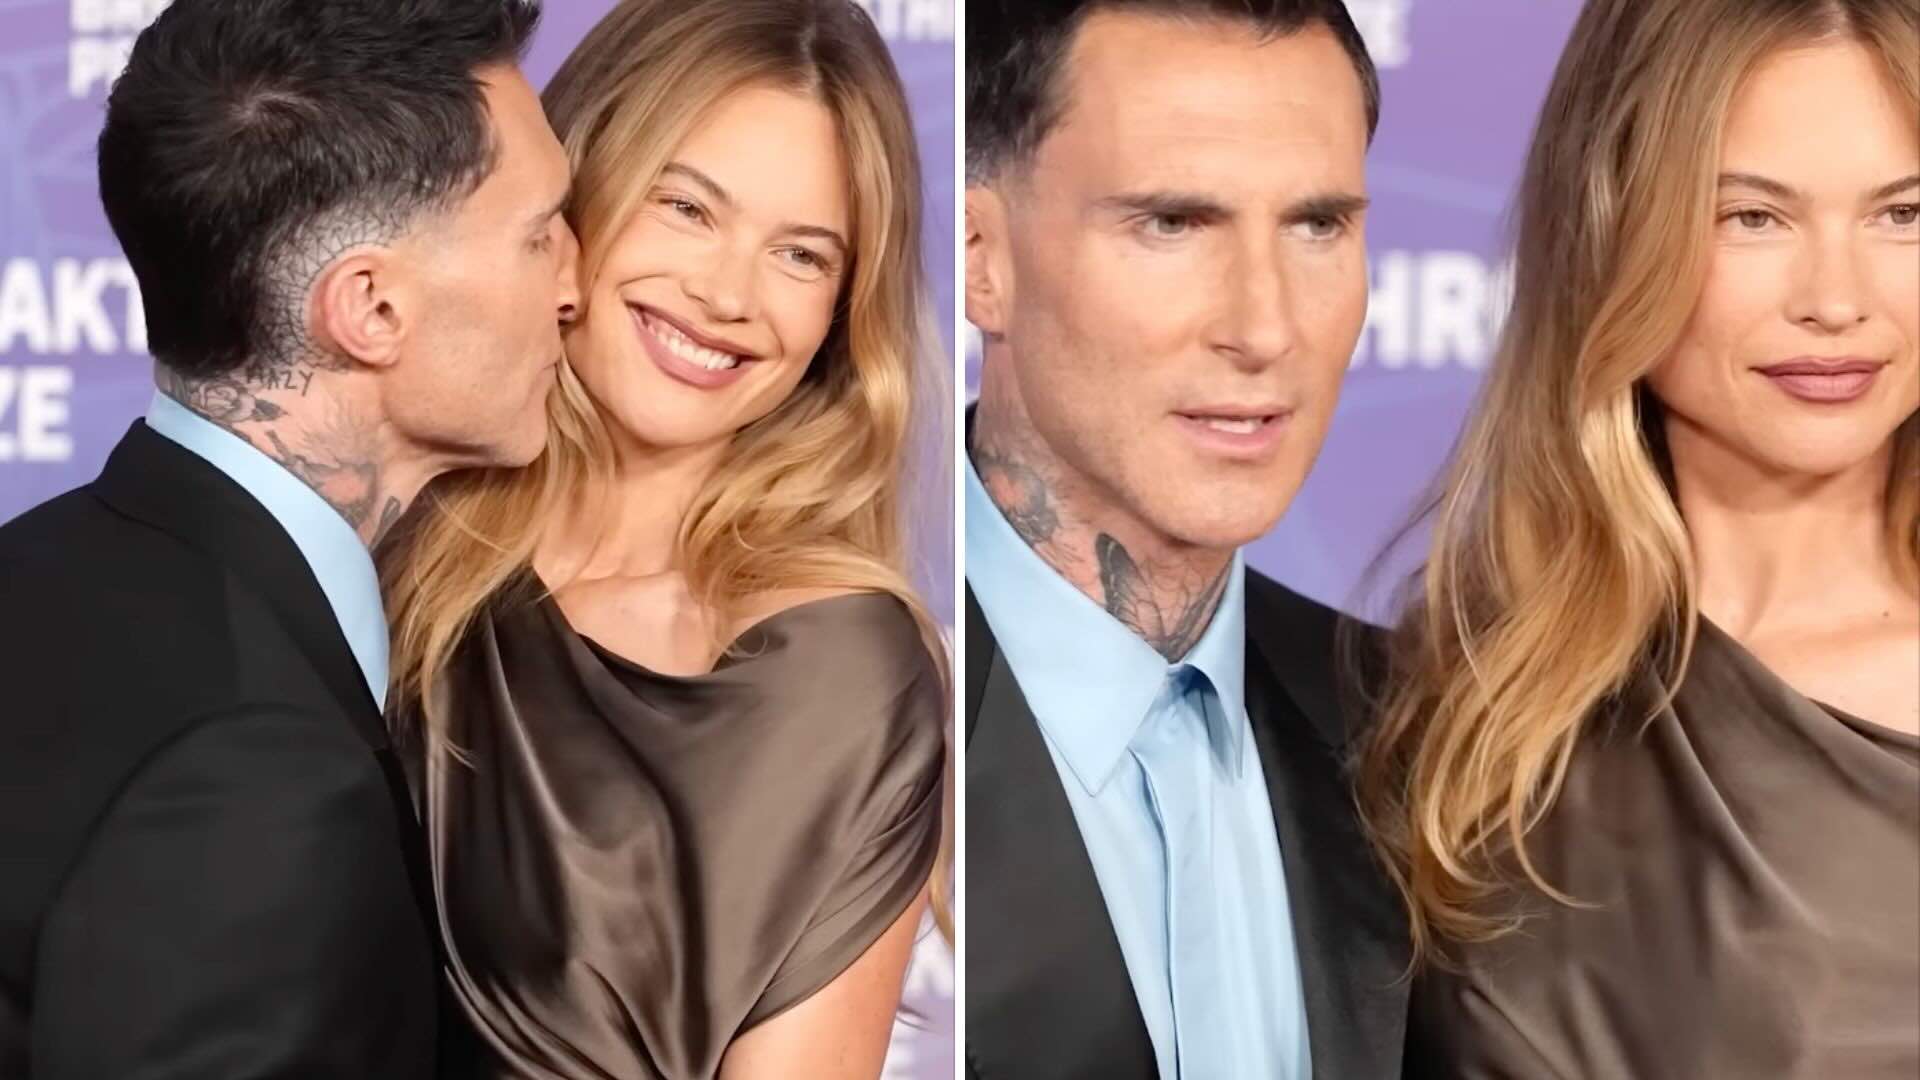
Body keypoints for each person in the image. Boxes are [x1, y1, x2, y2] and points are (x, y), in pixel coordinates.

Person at [0, 0, 578, 1074]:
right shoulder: (257, 778)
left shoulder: (36, 572)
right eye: (540, 234)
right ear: (371, 309)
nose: (575, 287)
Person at [379, 1, 949, 1076]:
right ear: (572, 190)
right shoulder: (388, 537)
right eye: (686, 207)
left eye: (801, 255)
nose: (726, 294)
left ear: (842, 315)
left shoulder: (833, 673)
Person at [1355, 0, 1919, 1076]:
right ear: (1613, 225)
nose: (1837, 299)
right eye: (1752, 216)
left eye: (1903, 212)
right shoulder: (1446, 698)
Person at [962, 2, 1407, 1077]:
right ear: (981, 258)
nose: (1264, 327)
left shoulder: (1433, 737)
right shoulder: (844, 701)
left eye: (1317, 226)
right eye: (1172, 224)